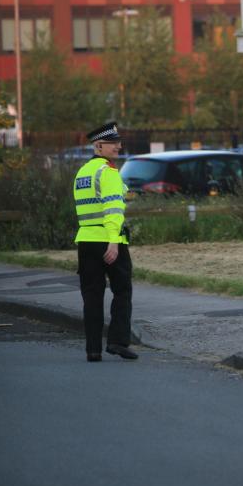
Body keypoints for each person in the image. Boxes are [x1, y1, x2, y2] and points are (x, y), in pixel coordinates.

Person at [73, 122, 137, 362]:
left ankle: (93, 350)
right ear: (98, 146)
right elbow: (113, 210)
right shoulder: (108, 172)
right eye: (113, 143)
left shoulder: (82, 173)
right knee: (122, 291)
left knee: (91, 295)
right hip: (110, 241)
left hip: (86, 241)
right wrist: (112, 242)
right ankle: (118, 342)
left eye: (119, 142)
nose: (119, 147)